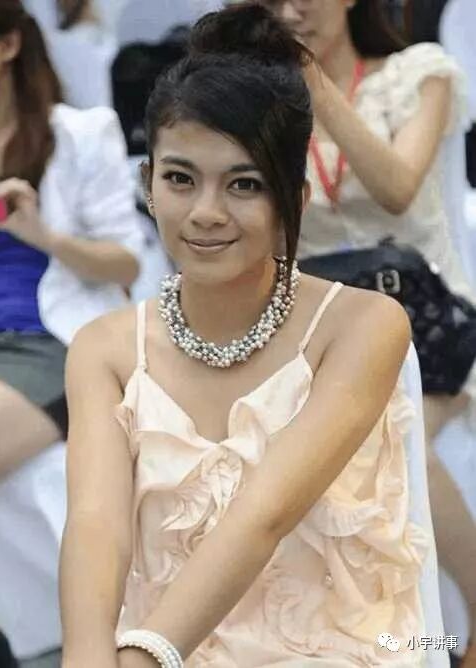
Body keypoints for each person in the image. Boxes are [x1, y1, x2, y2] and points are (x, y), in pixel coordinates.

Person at [60, 4, 431, 666]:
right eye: (180, 178)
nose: (206, 213)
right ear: (148, 185)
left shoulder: (363, 326)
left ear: (294, 200)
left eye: (244, 184)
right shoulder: (104, 349)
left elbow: (265, 515)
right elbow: (96, 526)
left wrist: (146, 655)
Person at [0, 0, 143, 665]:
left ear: (8, 44)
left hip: (53, 339)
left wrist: (41, 234)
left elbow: (126, 261)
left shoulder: (82, 132)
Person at [260, 0, 476, 664]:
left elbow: (398, 187)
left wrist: (315, 84)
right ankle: (381, 641)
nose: (292, 12)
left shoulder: (421, 73)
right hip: (315, 325)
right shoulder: (261, 99)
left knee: (388, 429)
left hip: (424, 321)